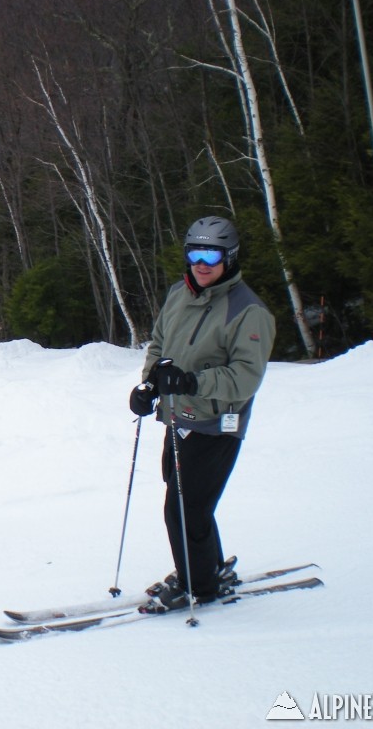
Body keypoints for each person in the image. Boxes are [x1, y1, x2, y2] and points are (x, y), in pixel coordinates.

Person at [130, 215, 275, 612]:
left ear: (228, 257)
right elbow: (159, 345)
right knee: (190, 501)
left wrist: (193, 382)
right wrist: (149, 386)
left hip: (217, 424)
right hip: (178, 418)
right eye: (195, 252)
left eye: (211, 254)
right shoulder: (180, 292)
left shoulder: (249, 311)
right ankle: (209, 567)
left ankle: (199, 586)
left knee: (183, 508)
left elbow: (246, 377)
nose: (202, 263)